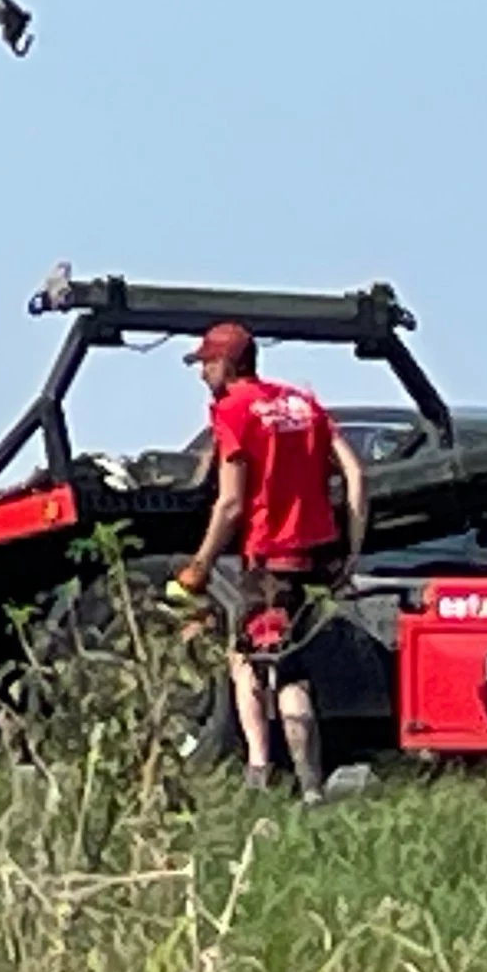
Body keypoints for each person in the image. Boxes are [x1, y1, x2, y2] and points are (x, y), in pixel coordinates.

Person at [174, 322, 367, 803]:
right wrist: (352, 549)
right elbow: (355, 473)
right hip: (317, 557)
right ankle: (310, 787)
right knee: (294, 663)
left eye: (206, 364)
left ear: (228, 363)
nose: (202, 375)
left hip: (269, 557)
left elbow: (232, 503)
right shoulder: (301, 403)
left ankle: (264, 775)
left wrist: (200, 564)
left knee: (251, 663)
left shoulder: (233, 410)